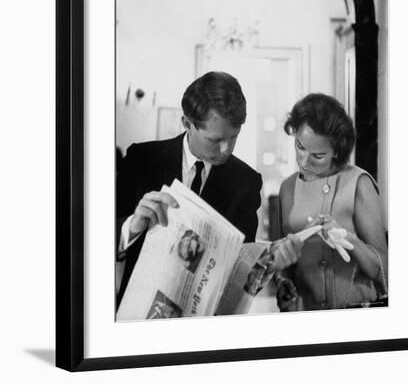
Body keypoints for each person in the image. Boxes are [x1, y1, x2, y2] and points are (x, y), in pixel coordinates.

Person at [116, 71, 263, 304]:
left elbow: (242, 264)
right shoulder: (140, 159)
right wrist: (130, 229)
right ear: (187, 124)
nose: (226, 149)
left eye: (233, 137)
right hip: (137, 312)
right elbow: (94, 238)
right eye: (215, 140)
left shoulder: (246, 181)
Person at [275, 93, 388, 311]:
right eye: (300, 146)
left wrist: (349, 240)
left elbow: (384, 272)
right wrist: (283, 284)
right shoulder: (287, 188)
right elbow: (285, 264)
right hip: (307, 319)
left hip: (357, 316)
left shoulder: (359, 183)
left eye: (317, 156)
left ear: (337, 150)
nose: (303, 162)